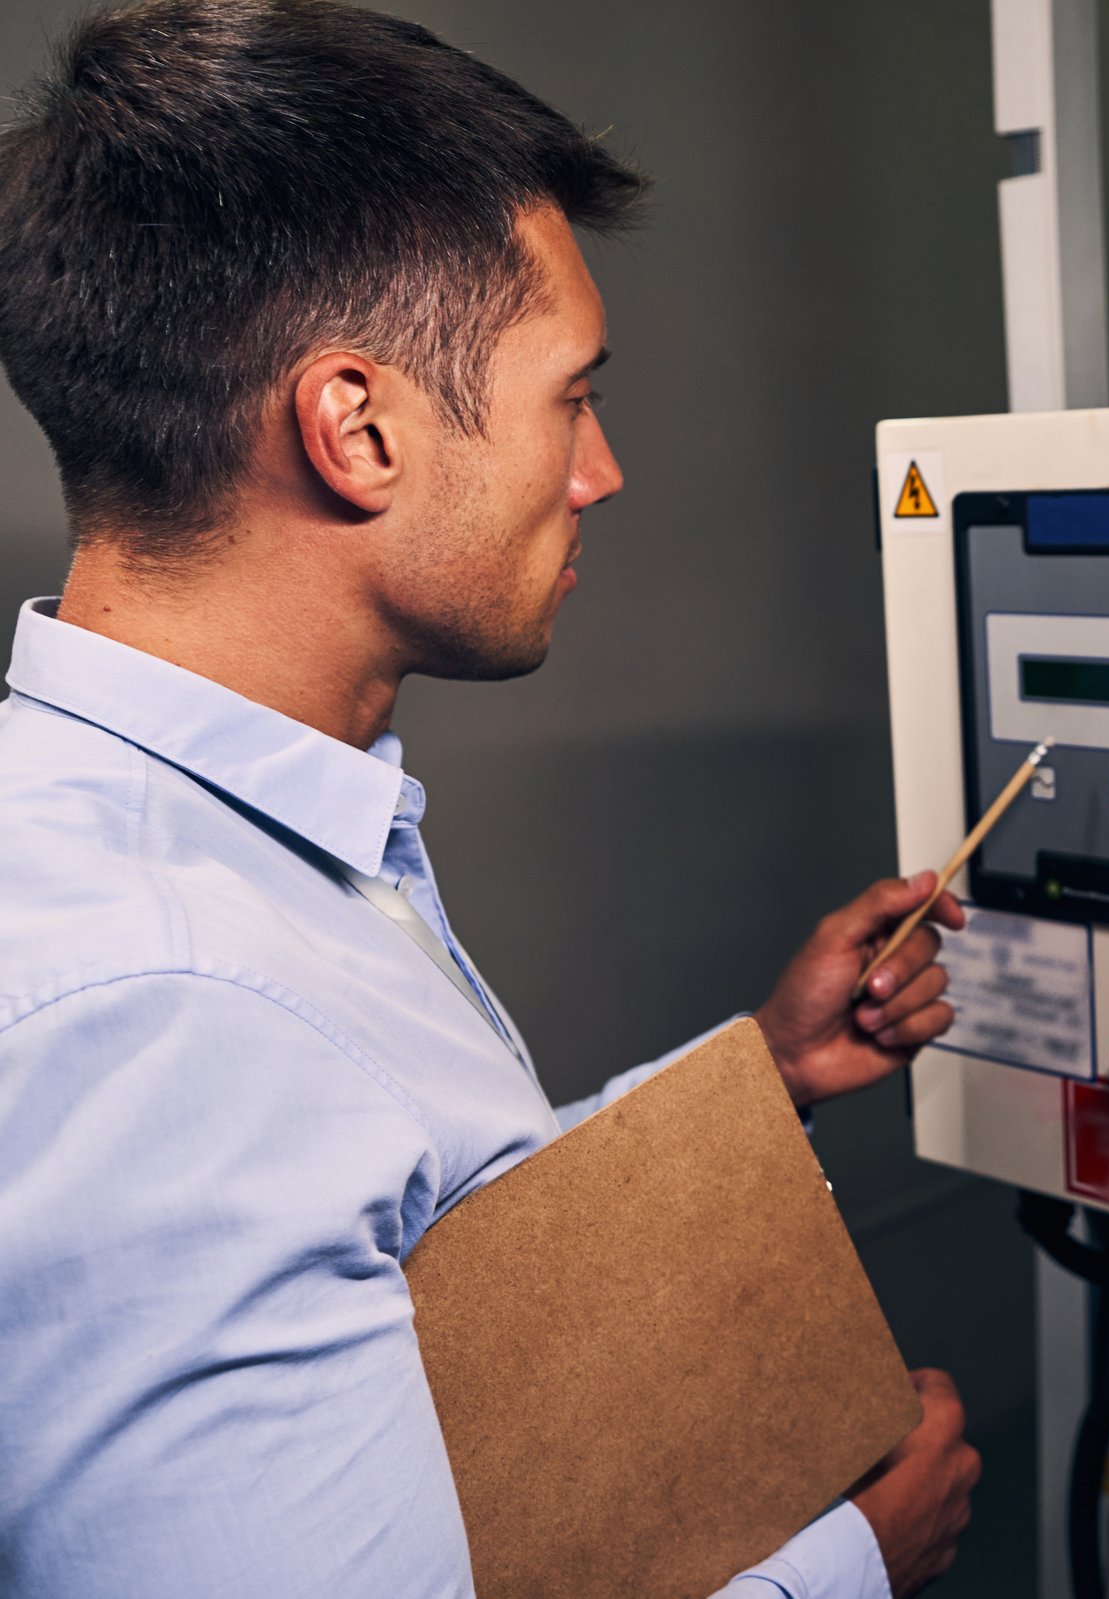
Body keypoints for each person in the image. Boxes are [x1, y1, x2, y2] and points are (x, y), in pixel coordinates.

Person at [0, 3, 980, 1595]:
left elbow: (397, 1240)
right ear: (359, 427)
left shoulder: (139, 837)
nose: (597, 471)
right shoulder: (166, 1010)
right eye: (570, 397)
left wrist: (763, 1081)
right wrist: (853, 1563)